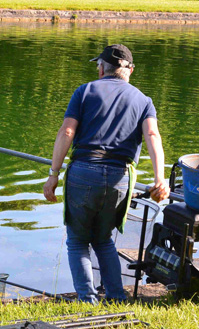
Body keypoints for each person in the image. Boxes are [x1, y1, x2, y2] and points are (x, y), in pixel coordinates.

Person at [42, 44, 170, 304]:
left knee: (78, 241)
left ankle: (88, 301)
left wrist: (53, 174)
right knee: (103, 240)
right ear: (130, 70)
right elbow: (153, 136)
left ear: (101, 68)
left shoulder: (85, 90)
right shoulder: (144, 101)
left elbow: (67, 132)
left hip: (83, 172)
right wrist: (160, 178)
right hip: (120, 177)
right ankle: (116, 297)